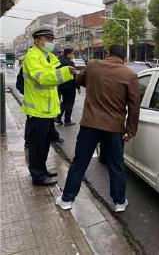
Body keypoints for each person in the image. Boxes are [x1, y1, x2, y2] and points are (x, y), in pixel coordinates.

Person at [56, 44, 140, 212]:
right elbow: (134, 105)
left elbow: (80, 81)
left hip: (90, 125)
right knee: (116, 165)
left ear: (108, 54)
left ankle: (67, 199)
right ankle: (119, 202)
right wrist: (131, 130)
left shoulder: (93, 65)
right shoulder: (130, 75)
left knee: (79, 163)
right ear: (124, 59)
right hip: (115, 128)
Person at [21, 26, 75, 186]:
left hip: (47, 111)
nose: (51, 42)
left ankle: (42, 170)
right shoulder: (32, 57)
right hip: (37, 110)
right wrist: (66, 72)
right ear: (37, 41)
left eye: (52, 40)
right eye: (48, 39)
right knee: (37, 146)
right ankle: (38, 176)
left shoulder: (47, 57)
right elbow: (43, 78)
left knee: (44, 144)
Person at [55, 48, 80, 126]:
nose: (73, 55)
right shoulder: (70, 63)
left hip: (61, 86)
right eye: (72, 53)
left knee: (64, 102)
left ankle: (58, 118)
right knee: (69, 103)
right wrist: (78, 87)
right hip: (70, 86)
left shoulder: (59, 62)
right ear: (68, 54)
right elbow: (74, 75)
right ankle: (67, 120)